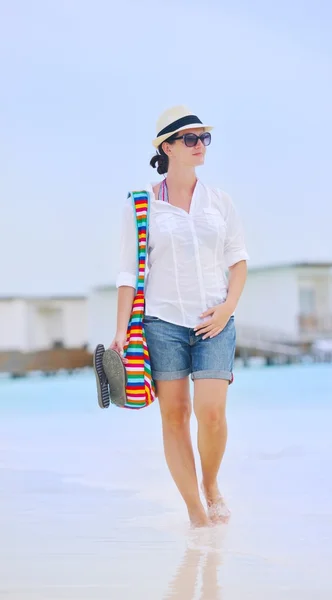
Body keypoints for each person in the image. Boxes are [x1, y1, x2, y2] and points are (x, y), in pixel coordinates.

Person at [111, 105, 249, 528]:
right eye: (189, 139)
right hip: (162, 323)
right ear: (167, 147)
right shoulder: (142, 205)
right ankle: (196, 513)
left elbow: (239, 260)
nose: (199, 145)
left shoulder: (220, 202)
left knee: (211, 413)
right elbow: (128, 273)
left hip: (215, 321)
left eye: (203, 138)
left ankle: (210, 486)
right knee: (174, 416)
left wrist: (227, 309)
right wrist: (121, 330)